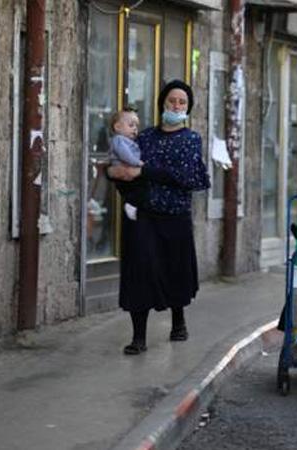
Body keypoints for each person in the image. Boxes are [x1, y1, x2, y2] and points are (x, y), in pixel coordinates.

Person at [107, 80, 210, 355]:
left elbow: (188, 177)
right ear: (162, 103)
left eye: (182, 102)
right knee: (139, 272)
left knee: (175, 272)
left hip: (174, 216)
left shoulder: (191, 140)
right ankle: (138, 337)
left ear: (187, 108)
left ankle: (178, 321)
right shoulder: (145, 136)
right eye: (171, 100)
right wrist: (112, 174)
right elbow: (120, 163)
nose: (175, 106)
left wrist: (145, 172)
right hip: (143, 214)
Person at [108, 107, 145, 221]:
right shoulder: (118, 139)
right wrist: (137, 162)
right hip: (124, 170)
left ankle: (133, 205)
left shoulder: (127, 140)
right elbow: (125, 154)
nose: (135, 129)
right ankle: (131, 205)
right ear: (117, 127)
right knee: (134, 190)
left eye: (136, 126)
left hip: (129, 170)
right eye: (131, 125)